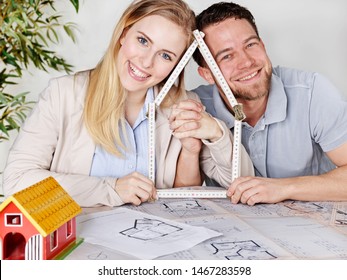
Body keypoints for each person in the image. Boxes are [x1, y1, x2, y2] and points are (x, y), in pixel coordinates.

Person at [3, 0, 254, 208]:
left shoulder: (184, 106)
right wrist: (110, 189)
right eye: (143, 41)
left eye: (165, 55)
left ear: (176, 66)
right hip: (80, 241)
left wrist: (217, 134)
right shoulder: (64, 94)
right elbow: (16, 180)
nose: (146, 62)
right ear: (124, 33)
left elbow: (243, 184)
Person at [189, 2, 347, 205]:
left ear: (262, 45)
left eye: (250, 45)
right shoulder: (197, 107)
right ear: (207, 74)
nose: (246, 62)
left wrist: (284, 187)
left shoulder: (312, 92)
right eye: (227, 56)